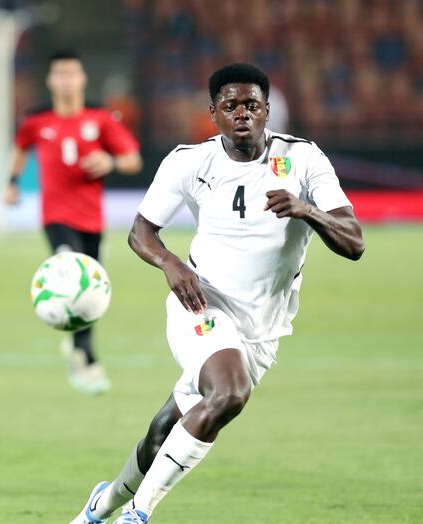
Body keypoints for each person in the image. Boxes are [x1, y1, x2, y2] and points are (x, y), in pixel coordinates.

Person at [70, 63, 364, 523]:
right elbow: (141, 233)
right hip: (201, 303)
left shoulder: (304, 159)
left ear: (267, 110)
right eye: (231, 106)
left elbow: (354, 243)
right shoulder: (190, 161)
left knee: (165, 429)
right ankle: (138, 514)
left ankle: (99, 508)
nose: (242, 113)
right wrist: (169, 264)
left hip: (262, 329)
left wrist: (307, 210)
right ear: (214, 114)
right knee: (230, 392)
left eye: (251, 105)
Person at [6, 51, 142, 395]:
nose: (66, 81)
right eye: (60, 74)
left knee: (91, 290)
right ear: (51, 81)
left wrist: (109, 161)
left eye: (72, 74)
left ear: (82, 79)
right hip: (56, 217)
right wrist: (12, 182)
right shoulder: (37, 121)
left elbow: (133, 159)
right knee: (70, 272)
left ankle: (78, 345)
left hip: (92, 219)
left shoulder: (101, 118)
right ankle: (87, 359)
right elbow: (21, 147)